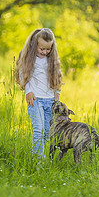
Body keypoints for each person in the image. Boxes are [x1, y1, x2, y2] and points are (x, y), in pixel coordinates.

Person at [16, 28, 62, 156]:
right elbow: (23, 74)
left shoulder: (51, 59)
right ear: (34, 44)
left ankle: (36, 154)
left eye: (48, 49)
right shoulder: (29, 59)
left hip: (50, 100)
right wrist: (28, 91)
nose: (44, 52)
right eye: (41, 48)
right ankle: (38, 160)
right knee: (39, 130)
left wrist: (57, 95)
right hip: (35, 100)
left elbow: (57, 77)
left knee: (47, 132)